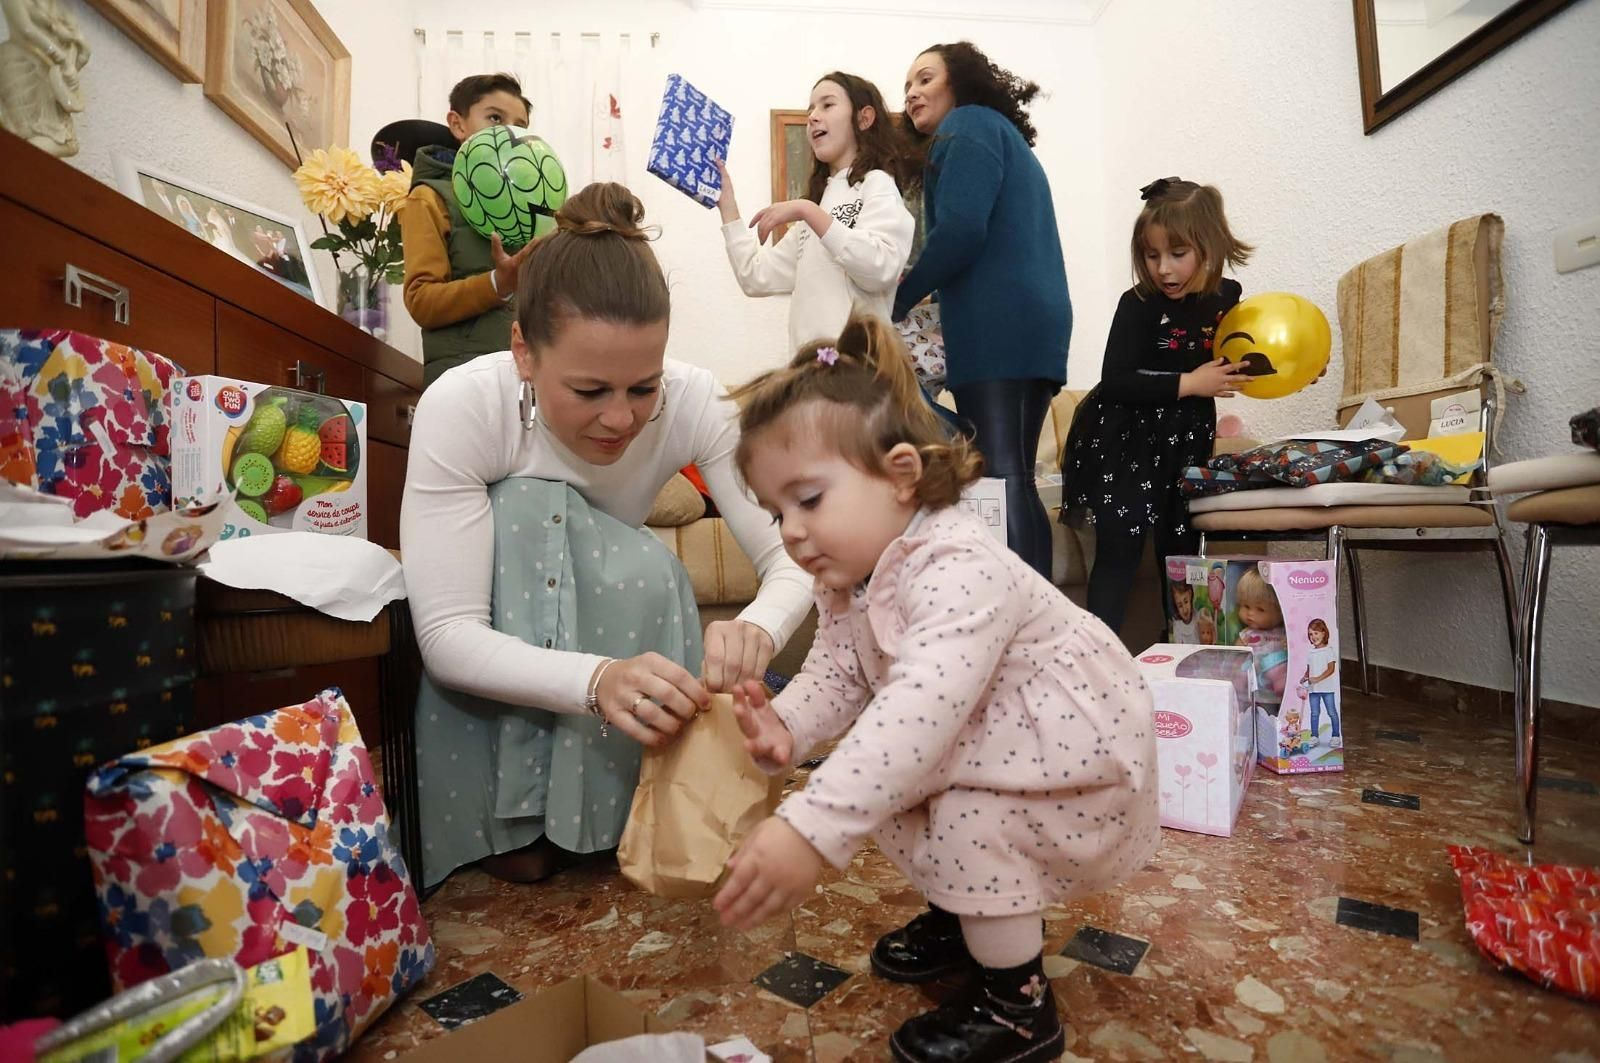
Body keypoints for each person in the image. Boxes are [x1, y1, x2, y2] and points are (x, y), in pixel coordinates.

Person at [712, 315, 1159, 1063]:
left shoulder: (958, 563)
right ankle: (967, 915)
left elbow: (917, 710)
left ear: (899, 475)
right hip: (1000, 738)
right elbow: (839, 671)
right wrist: (785, 726)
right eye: (776, 511)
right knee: (905, 790)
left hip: (1079, 754)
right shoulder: (852, 577)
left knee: (964, 813)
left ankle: (1018, 1007)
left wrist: (810, 828)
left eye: (809, 499)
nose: (789, 531)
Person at [401, 183, 813, 889]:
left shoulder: (696, 402)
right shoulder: (466, 405)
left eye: (643, 389)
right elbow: (446, 636)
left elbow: (795, 559)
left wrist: (760, 630)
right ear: (523, 352)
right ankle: (517, 816)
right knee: (527, 504)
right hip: (540, 658)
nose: (621, 420)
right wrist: (597, 681)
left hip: (611, 631)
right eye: (590, 391)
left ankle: (603, 810)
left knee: (634, 558)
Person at [892, 41, 1069, 580]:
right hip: (1024, 325)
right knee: (1010, 473)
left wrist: (896, 298)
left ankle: (1027, 629)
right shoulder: (995, 133)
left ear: (959, 83)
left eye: (925, 78)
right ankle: (1038, 623)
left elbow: (963, 232)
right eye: (907, 87)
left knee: (1003, 476)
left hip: (1000, 328)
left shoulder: (967, 125)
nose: (913, 92)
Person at [1062, 177, 1254, 634]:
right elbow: (1117, 381)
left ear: (1209, 247)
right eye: (1152, 256)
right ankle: (1093, 656)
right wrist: (1191, 381)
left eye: (1177, 254)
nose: (1164, 270)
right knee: (1120, 548)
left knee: (1182, 544)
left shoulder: (1227, 297)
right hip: (1123, 439)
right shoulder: (1138, 304)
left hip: (1183, 437)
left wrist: (1294, 366)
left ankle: (1186, 649)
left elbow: (1248, 351)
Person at [716, 71, 914, 353]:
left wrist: (806, 210)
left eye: (827, 105)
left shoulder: (876, 184)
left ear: (864, 118)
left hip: (861, 373)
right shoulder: (817, 208)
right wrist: (728, 205)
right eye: (810, 110)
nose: (813, 117)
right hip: (812, 375)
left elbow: (878, 268)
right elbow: (755, 277)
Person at [397, 72, 540, 387]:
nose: (508, 132)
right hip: (462, 382)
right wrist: (497, 283)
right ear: (458, 124)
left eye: (519, 126)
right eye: (494, 118)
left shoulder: (530, 204)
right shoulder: (429, 197)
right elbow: (421, 300)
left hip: (526, 379)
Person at [1304, 618, 1341, 748]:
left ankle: (1335, 735)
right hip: (1313, 688)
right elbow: (1309, 669)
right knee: (1314, 713)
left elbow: (1331, 669)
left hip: (1326, 688)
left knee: (1331, 712)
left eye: (1316, 633)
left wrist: (1318, 679)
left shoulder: (1328, 650)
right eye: (1311, 634)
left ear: (1324, 633)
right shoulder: (1311, 652)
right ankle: (1314, 736)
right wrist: (1305, 677)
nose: (1313, 637)